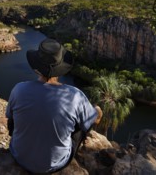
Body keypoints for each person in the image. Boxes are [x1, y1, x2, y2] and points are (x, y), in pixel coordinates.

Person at [6, 38, 102, 174]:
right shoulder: (75, 96)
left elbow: (10, 119)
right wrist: (97, 110)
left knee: (14, 117)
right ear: (61, 68)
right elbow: (95, 120)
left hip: (19, 157)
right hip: (56, 164)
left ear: (36, 68)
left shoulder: (19, 89)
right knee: (82, 123)